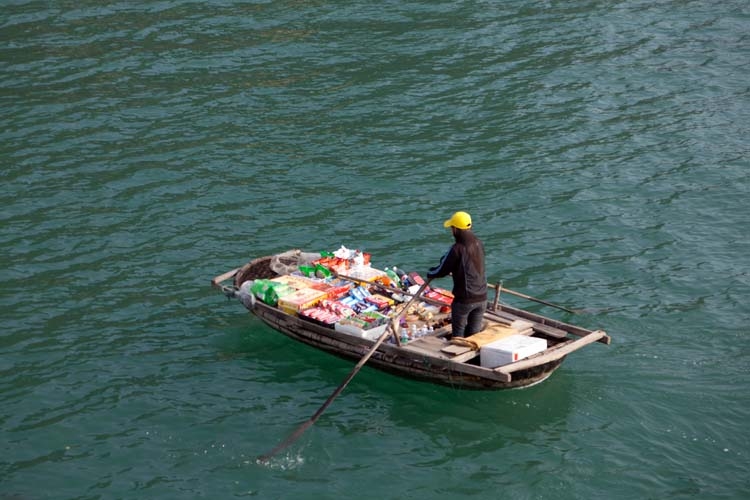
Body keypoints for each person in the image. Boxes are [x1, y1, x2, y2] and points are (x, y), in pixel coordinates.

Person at [427, 211, 488, 338]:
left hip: (464, 301)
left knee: (458, 336)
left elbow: (441, 270)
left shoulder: (457, 248)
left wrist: (430, 273)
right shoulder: (479, 243)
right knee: (474, 335)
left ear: (455, 229)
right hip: (482, 297)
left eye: (452, 228)